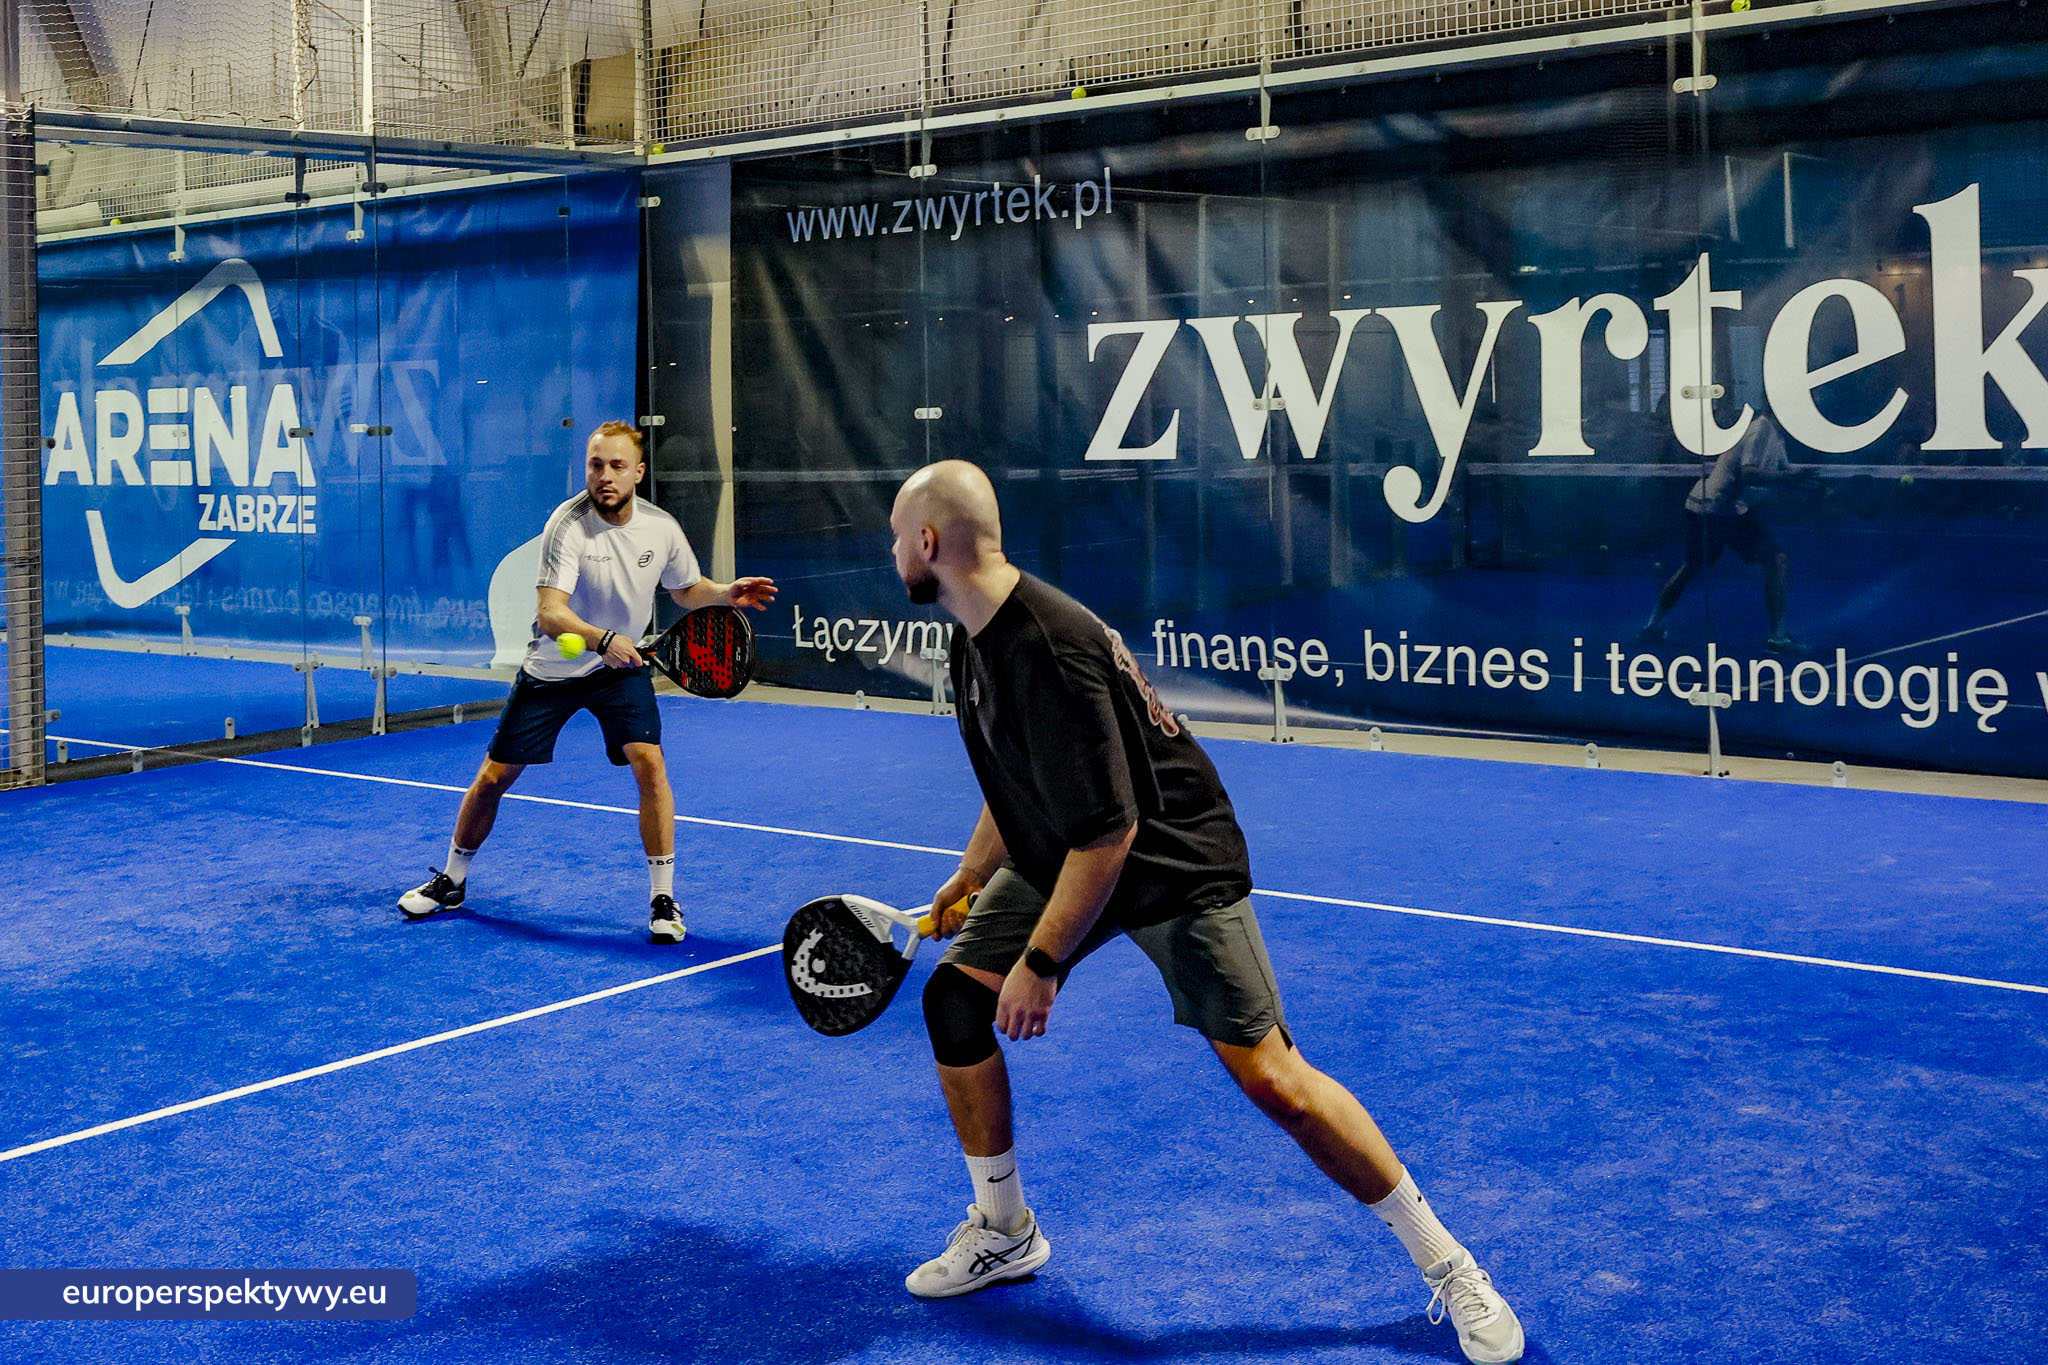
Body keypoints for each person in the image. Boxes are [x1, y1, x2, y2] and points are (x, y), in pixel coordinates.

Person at [886, 461, 1524, 1365]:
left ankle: (1449, 1263)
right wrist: (969, 873)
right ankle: (1005, 1228)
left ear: (927, 542)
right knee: (954, 1002)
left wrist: (1041, 964)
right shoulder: (973, 630)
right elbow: (1014, 771)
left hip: (1170, 861)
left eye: (894, 538)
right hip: (1066, 849)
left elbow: (1112, 833)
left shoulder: (1048, 648)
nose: (892, 556)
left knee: (1276, 1080)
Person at [398, 421, 776, 942]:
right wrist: (602, 640)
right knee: (493, 778)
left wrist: (725, 592)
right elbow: (550, 614)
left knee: (651, 764)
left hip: (620, 671)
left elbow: (687, 590)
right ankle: (453, 879)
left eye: (617, 466)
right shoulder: (568, 524)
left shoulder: (661, 528)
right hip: (554, 669)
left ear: (638, 472)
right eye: (596, 465)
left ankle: (663, 899)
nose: (604, 476)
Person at [1641, 412, 1807, 652]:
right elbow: (1748, 473)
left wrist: (1807, 484)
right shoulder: (1760, 429)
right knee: (1772, 560)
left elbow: (1784, 477)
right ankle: (1777, 637)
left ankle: (1650, 627)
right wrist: (1790, 479)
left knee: (1773, 560)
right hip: (1711, 508)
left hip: (1729, 509)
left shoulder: (1778, 438)